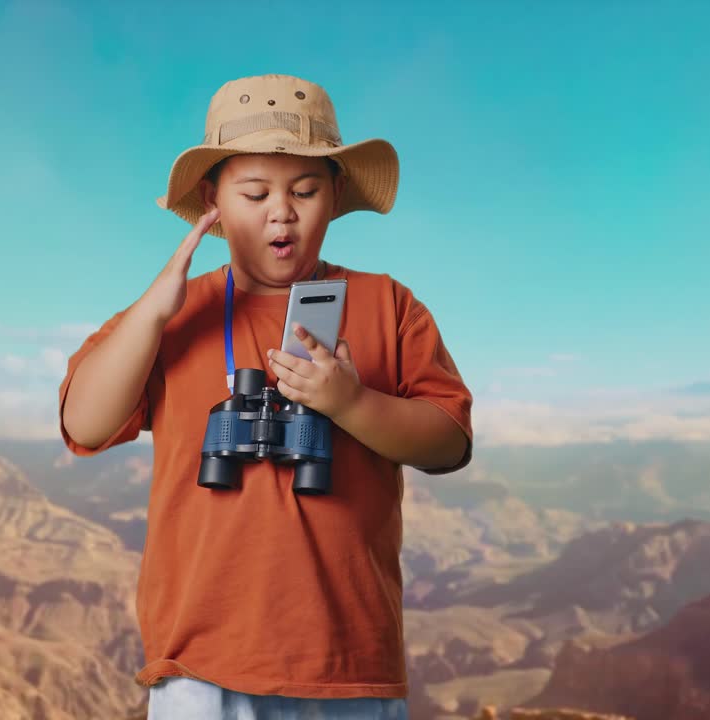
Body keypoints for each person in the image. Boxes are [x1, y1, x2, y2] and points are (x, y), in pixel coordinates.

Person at [59, 74, 473, 719]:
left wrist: (351, 406)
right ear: (212, 203)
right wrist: (154, 311)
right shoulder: (172, 315)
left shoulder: (388, 305)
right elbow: (85, 425)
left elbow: (448, 443)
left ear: (335, 197)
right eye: (255, 193)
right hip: (200, 660)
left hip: (348, 661)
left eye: (305, 191)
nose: (281, 211)